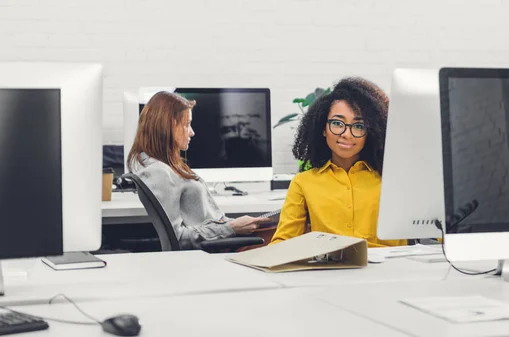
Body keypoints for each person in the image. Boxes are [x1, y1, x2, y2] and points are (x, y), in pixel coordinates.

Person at [270, 77, 407, 247]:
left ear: (370, 133)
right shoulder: (304, 183)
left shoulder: (394, 179)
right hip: (330, 270)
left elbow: (437, 230)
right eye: (337, 123)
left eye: (358, 126)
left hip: (391, 270)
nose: (347, 134)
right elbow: (283, 243)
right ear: (323, 129)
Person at [127, 91, 270, 250]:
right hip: (218, 250)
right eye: (187, 124)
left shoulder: (169, 166)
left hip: (223, 242)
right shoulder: (157, 172)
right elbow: (177, 238)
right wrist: (231, 228)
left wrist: (235, 224)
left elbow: (205, 220)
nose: (192, 132)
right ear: (167, 126)